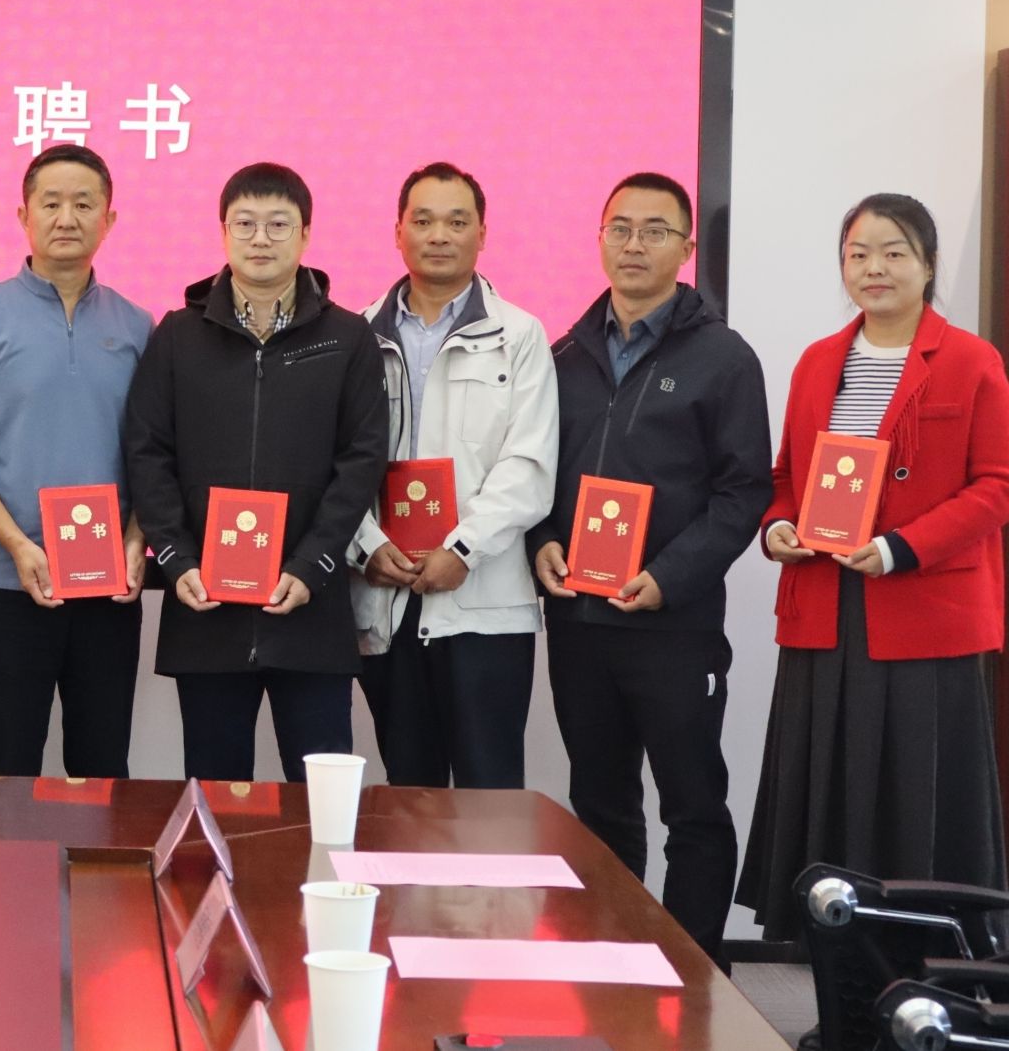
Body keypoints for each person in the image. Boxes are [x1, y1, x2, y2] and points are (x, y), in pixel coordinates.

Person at [738, 193, 1009, 942]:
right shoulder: (819, 360)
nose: (874, 268)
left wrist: (900, 547)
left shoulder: (972, 360)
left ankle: (926, 957)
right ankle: (833, 957)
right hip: (825, 608)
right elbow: (785, 476)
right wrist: (778, 526)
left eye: (894, 253)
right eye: (858, 254)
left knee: (914, 797)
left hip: (923, 613)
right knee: (830, 785)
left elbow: (996, 486)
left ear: (928, 265)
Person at [528, 172, 770, 963]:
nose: (635, 244)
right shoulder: (563, 354)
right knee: (600, 803)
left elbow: (743, 492)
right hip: (579, 622)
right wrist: (542, 541)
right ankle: (612, 963)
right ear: (600, 238)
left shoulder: (724, 358)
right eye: (621, 228)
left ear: (686, 247)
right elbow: (536, 473)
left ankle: (696, 973)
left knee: (692, 805)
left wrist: (669, 575)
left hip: (674, 624)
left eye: (655, 230)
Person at [123, 162, 390, 781]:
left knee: (323, 800)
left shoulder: (346, 338)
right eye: (245, 224)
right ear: (223, 232)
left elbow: (362, 460)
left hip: (310, 608)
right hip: (206, 610)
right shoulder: (178, 335)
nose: (261, 239)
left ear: (306, 234)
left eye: (278, 224)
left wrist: (312, 565)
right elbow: (148, 452)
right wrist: (176, 558)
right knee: (216, 800)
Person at [0, 144, 151, 777]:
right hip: (5, 583)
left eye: (84, 204)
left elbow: (158, 452)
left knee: (102, 773)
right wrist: (17, 544)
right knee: (5, 772)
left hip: (108, 589)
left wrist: (138, 539)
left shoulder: (138, 325)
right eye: (50, 203)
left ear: (109, 219)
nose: (66, 218)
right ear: (23, 215)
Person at [350, 162, 556, 789]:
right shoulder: (356, 336)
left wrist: (463, 548)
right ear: (398, 232)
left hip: (484, 603)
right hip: (387, 595)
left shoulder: (519, 335)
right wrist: (366, 546)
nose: (439, 235)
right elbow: (335, 464)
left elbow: (528, 464)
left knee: (489, 799)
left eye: (457, 221)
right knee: (409, 794)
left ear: (482, 234)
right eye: (423, 220)